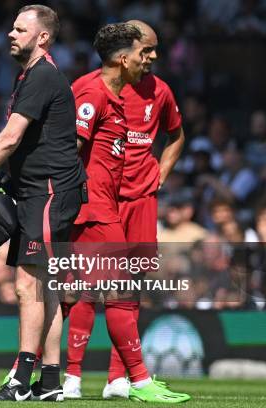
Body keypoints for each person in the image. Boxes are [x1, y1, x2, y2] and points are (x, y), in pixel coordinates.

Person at [0, 5, 86, 401]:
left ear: (42, 37)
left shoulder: (42, 75)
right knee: (44, 287)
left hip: (49, 193)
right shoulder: (32, 74)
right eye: (11, 28)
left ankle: (20, 380)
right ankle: (49, 383)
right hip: (40, 192)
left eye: (20, 29)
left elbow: (11, 137)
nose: (10, 34)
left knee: (27, 284)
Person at [65, 22, 190, 402]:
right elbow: (70, 148)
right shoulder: (95, 89)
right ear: (127, 53)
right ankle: (70, 374)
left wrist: (158, 176)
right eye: (147, 49)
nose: (152, 57)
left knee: (127, 290)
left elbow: (177, 135)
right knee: (87, 288)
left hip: (138, 199)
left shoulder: (159, 92)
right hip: (101, 201)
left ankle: (117, 378)